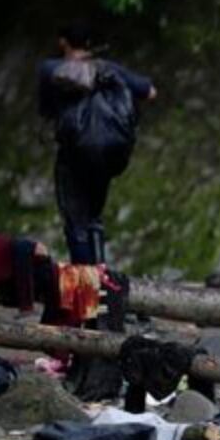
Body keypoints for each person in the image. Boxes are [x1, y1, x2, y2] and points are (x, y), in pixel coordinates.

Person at [36, 23, 156, 266]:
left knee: (76, 222)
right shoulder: (108, 69)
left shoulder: (52, 69)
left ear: (63, 42)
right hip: (105, 155)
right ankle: (100, 278)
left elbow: (46, 110)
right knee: (93, 217)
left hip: (73, 153)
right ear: (90, 44)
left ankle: (85, 281)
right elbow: (150, 92)